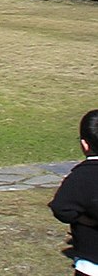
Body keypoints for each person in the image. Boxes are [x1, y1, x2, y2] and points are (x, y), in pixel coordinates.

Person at [50, 109, 98, 274]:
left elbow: (61, 207)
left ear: (84, 144)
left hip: (92, 262)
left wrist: (83, 218)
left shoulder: (82, 176)